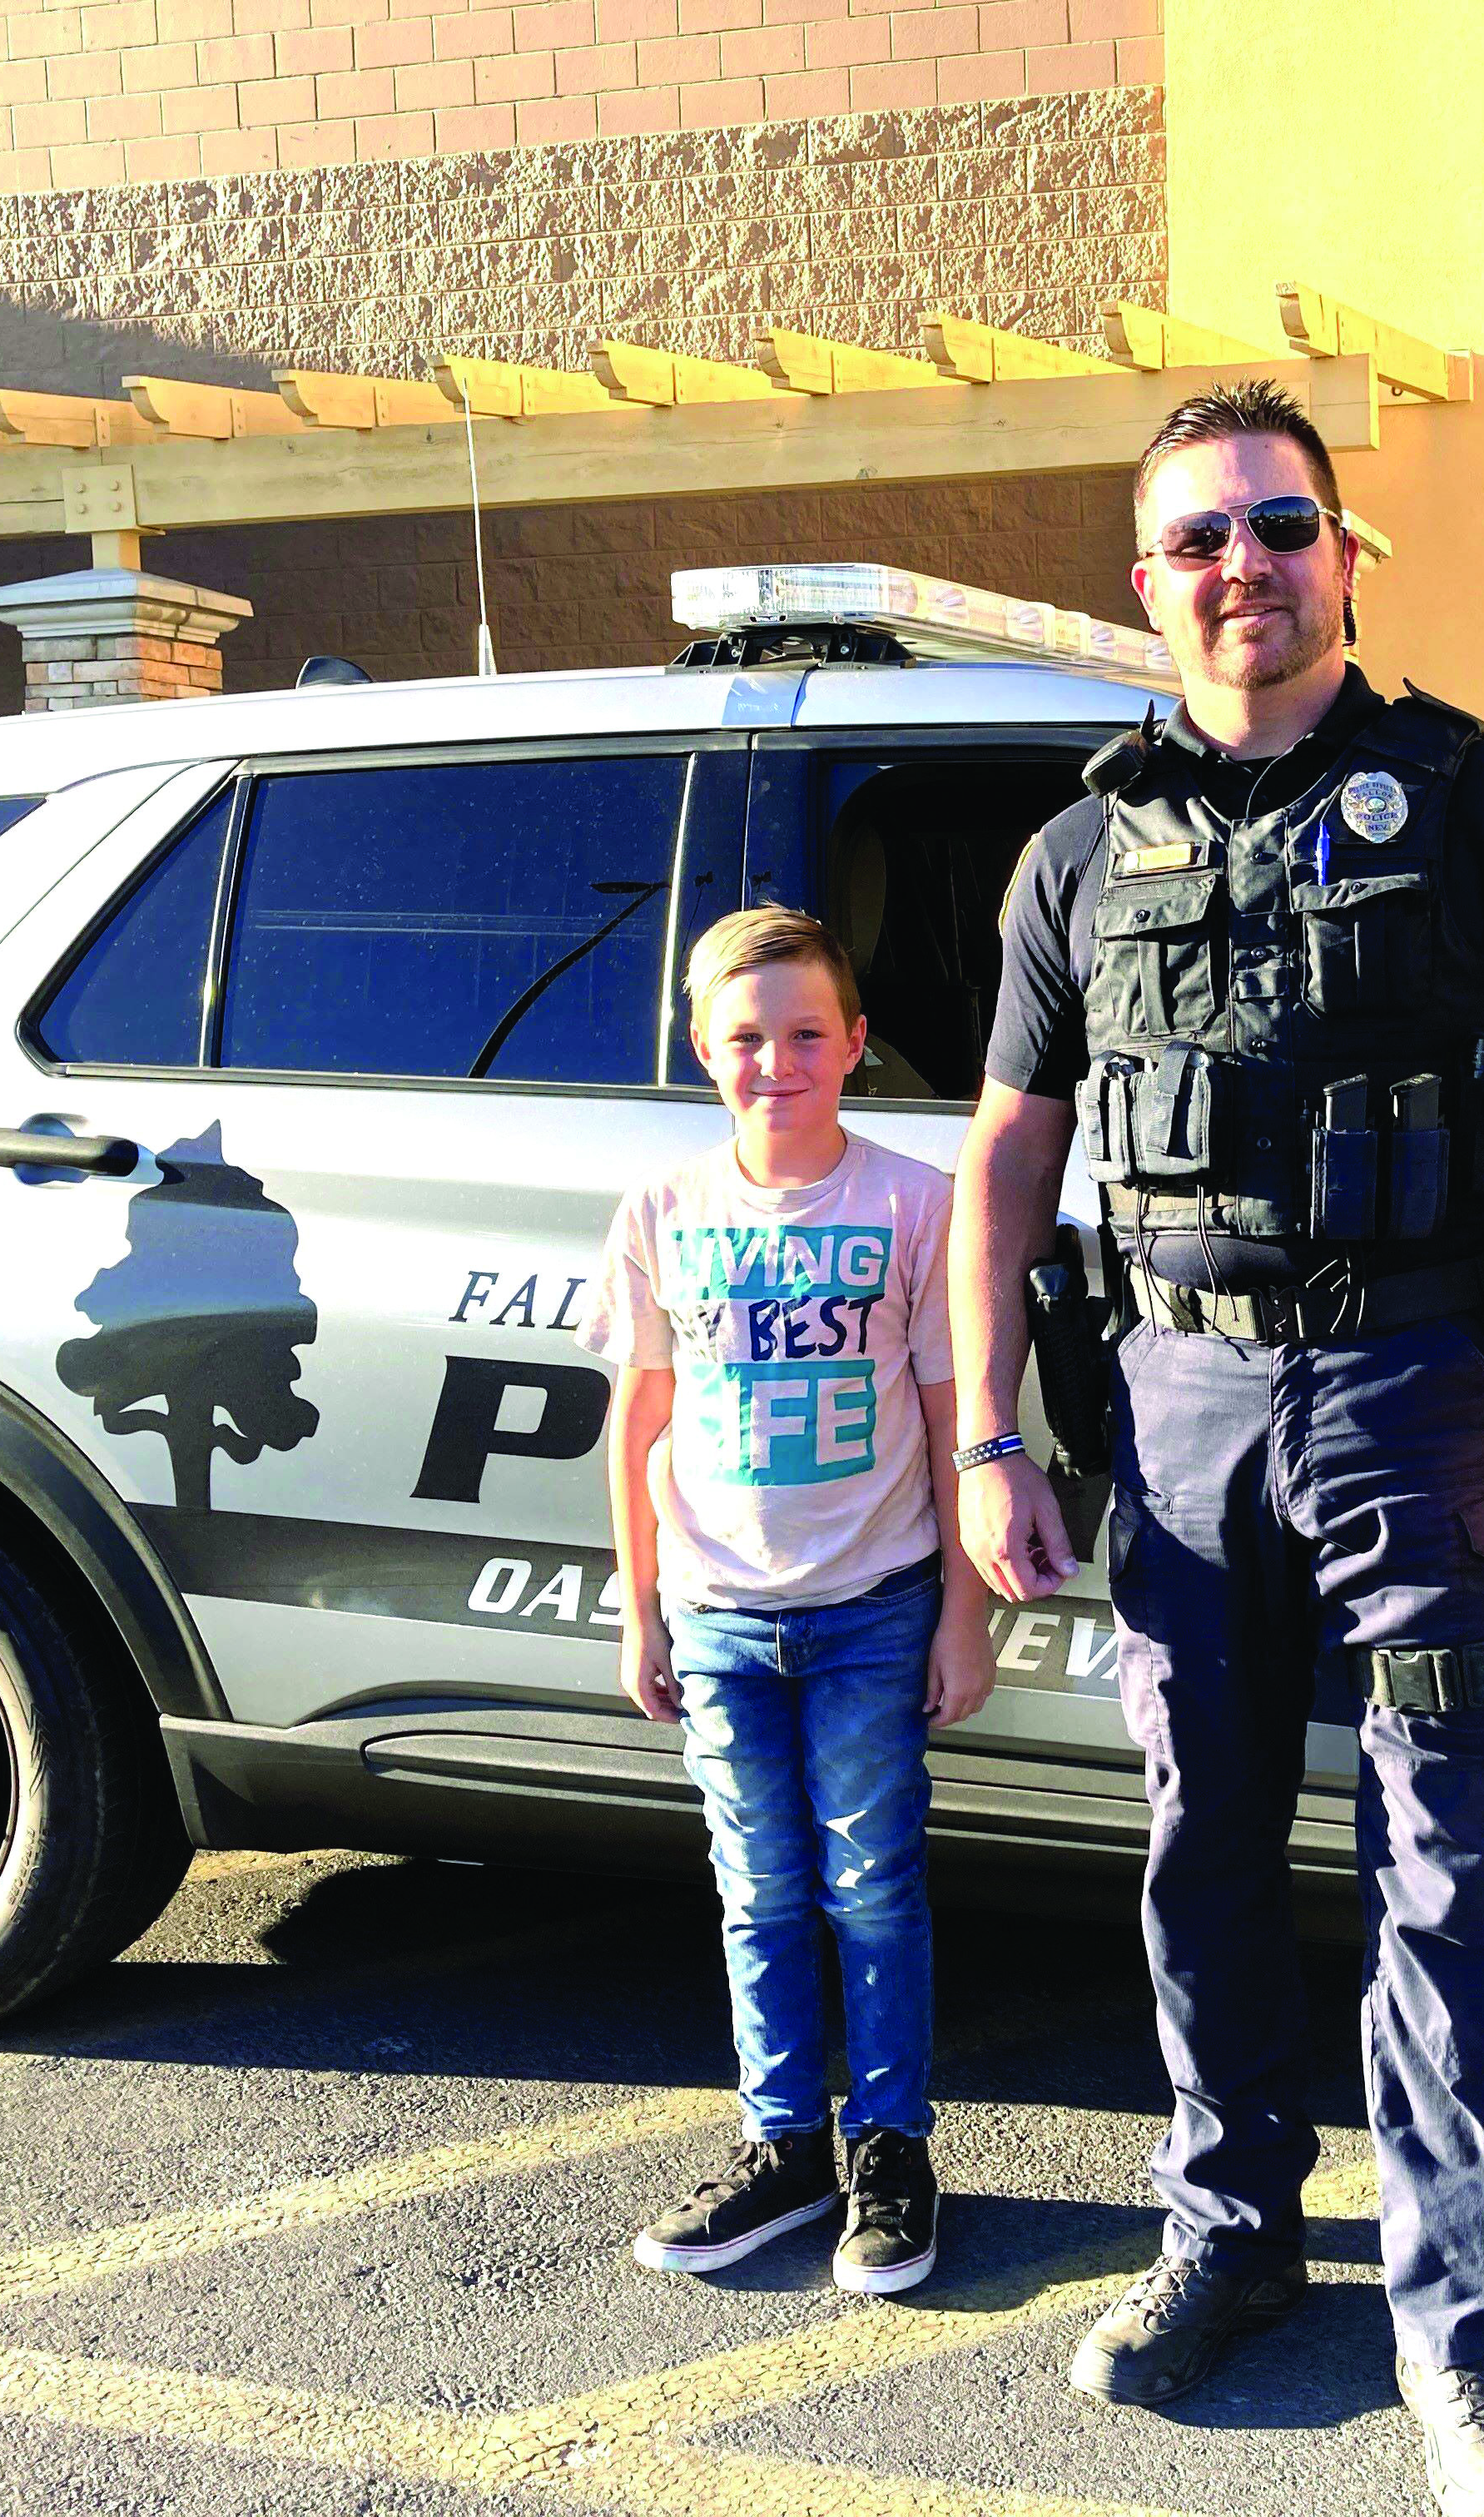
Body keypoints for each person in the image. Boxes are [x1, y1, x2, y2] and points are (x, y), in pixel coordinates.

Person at [948, 382, 1484, 2517]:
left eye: (1282, 526)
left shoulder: (1479, 808)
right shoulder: (1076, 850)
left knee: (1445, 1865)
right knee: (1200, 1845)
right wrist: (988, 1432)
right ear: (1147, 584)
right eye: (1199, 540)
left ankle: (1457, 2330)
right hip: (1173, 1418)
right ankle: (1228, 2236)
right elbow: (1009, 1157)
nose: (1242, 567)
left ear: (1349, 557)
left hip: (1420, 1394)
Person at [586, 905, 998, 2295]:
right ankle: (782, 2148)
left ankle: (890, 2149)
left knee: (873, 1887)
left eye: (808, 1033)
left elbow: (949, 1418)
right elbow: (636, 1425)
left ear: (858, 1043)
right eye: (748, 1037)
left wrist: (959, 1611)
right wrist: (640, 1611)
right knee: (757, 1891)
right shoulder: (661, 1214)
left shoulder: (912, 1203)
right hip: (714, 1614)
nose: (780, 1061)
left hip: (875, 1604)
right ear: (705, 1052)